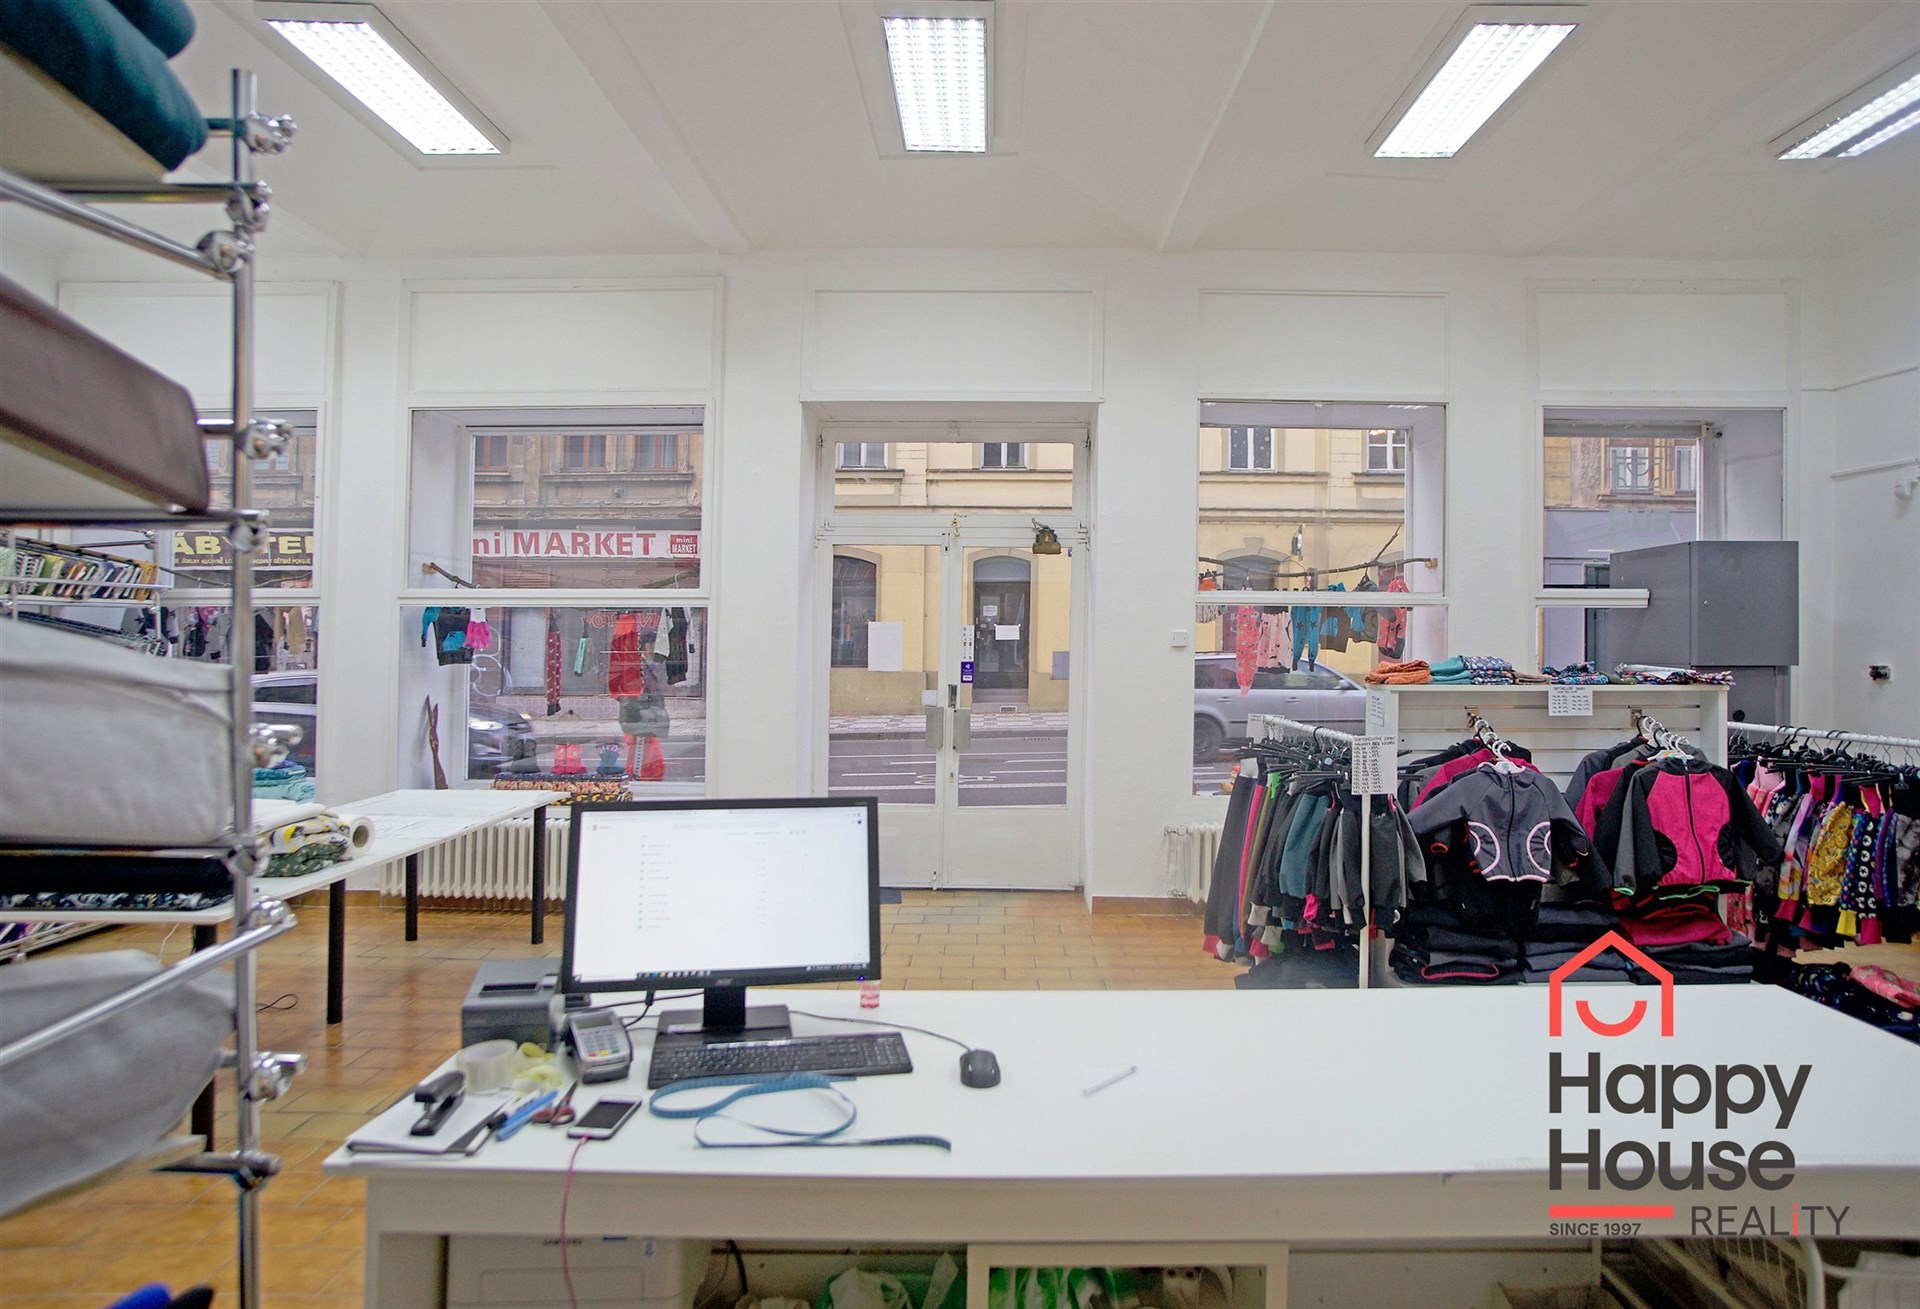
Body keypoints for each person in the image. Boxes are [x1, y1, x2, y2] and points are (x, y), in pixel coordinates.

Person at [617, 631, 670, 779]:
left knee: (655, 766)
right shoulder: (637, 667)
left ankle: (649, 790)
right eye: (657, 645)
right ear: (648, 646)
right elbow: (627, 696)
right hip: (639, 723)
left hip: (648, 722)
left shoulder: (649, 666)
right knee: (639, 768)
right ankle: (635, 790)